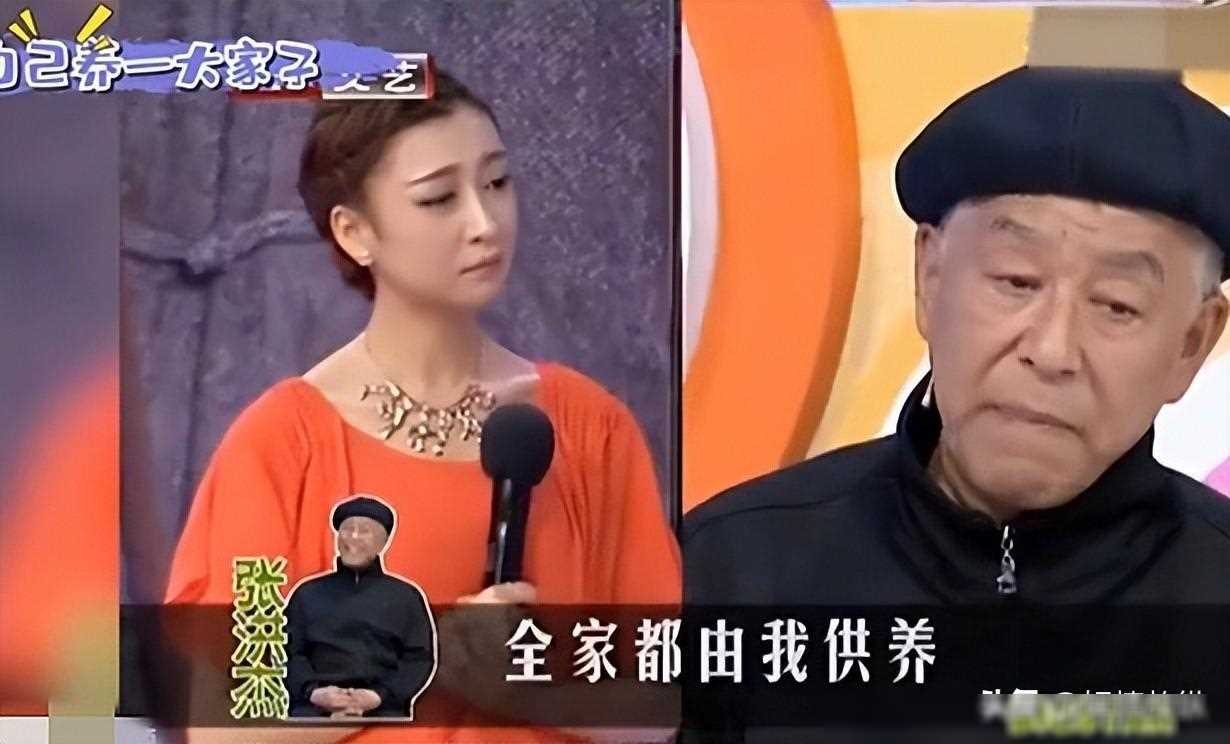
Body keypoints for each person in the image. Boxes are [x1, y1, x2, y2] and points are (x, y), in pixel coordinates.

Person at [683, 63, 1230, 738]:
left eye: (1117, 305)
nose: (1051, 350)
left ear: (1192, 343)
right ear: (931, 276)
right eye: (1016, 281)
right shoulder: (730, 571)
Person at [162, 70, 680, 741]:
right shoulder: (281, 447)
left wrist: (533, 687)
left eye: (497, 183)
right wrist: (426, 659)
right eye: (439, 199)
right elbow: (226, 726)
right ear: (354, 232)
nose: (484, 223)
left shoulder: (588, 427)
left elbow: (661, 705)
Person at [286, 496, 435, 719]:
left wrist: (380, 696)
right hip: (313, 709)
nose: (353, 537)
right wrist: (313, 692)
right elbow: (287, 652)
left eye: (364, 531)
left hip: (384, 710)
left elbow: (418, 659)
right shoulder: (306, 593)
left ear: (383, 542)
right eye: (347, 530)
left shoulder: (405, 596)